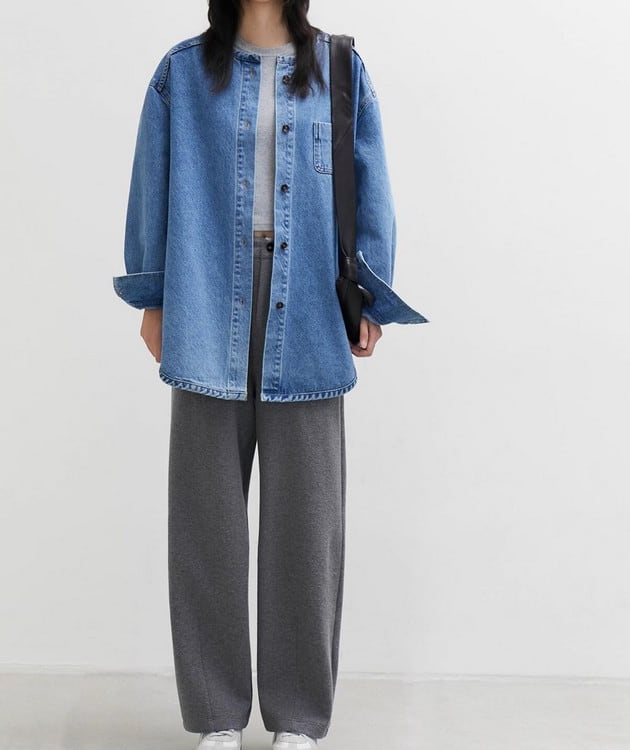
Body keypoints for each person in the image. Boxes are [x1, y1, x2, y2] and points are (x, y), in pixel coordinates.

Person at [113, 1, 428, 748]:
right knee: (206, 521)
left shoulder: (342, 69)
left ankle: (298, 720)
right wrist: (152, 294)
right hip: (203, 298)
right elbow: (151, 184)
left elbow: (370, 182)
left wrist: (370, 296)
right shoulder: (182, 73)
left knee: (308, 525)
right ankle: (217, 717)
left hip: (311, 306)